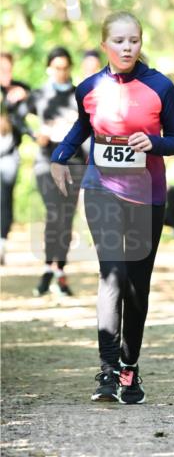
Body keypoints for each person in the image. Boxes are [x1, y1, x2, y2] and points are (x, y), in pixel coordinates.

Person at [51, 12, 174, 404]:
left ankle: (130, 368)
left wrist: (154, 144)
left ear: (141, 43)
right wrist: (61, 155)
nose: (127, 47)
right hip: (101, 189)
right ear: (105, 43)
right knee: (111, 275)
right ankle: (107, 370)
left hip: (148, 195)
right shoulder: (89, 87)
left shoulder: (160, 86)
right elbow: (82, 127)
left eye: (134, 41)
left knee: (136, 283)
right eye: (119, 41)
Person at [29, 47, 84, 296]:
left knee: (66, 217)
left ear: (70, 68)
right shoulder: (39, 95)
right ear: (49, 68)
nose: (61, 73)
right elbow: (18, 114)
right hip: (45, 161)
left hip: (73, 162)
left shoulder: (79, 95)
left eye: (65, 67)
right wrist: (34, 135)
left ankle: (58, 270)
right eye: (57, 68)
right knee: (53, 213)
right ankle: (47, 267)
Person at [0, 52, 31, 265]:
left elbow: (37, 96)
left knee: (5, 198)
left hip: (9, 154)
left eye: (8, 69)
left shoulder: (18, 88)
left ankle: (1, 242)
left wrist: (24, 94)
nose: (6, 74)